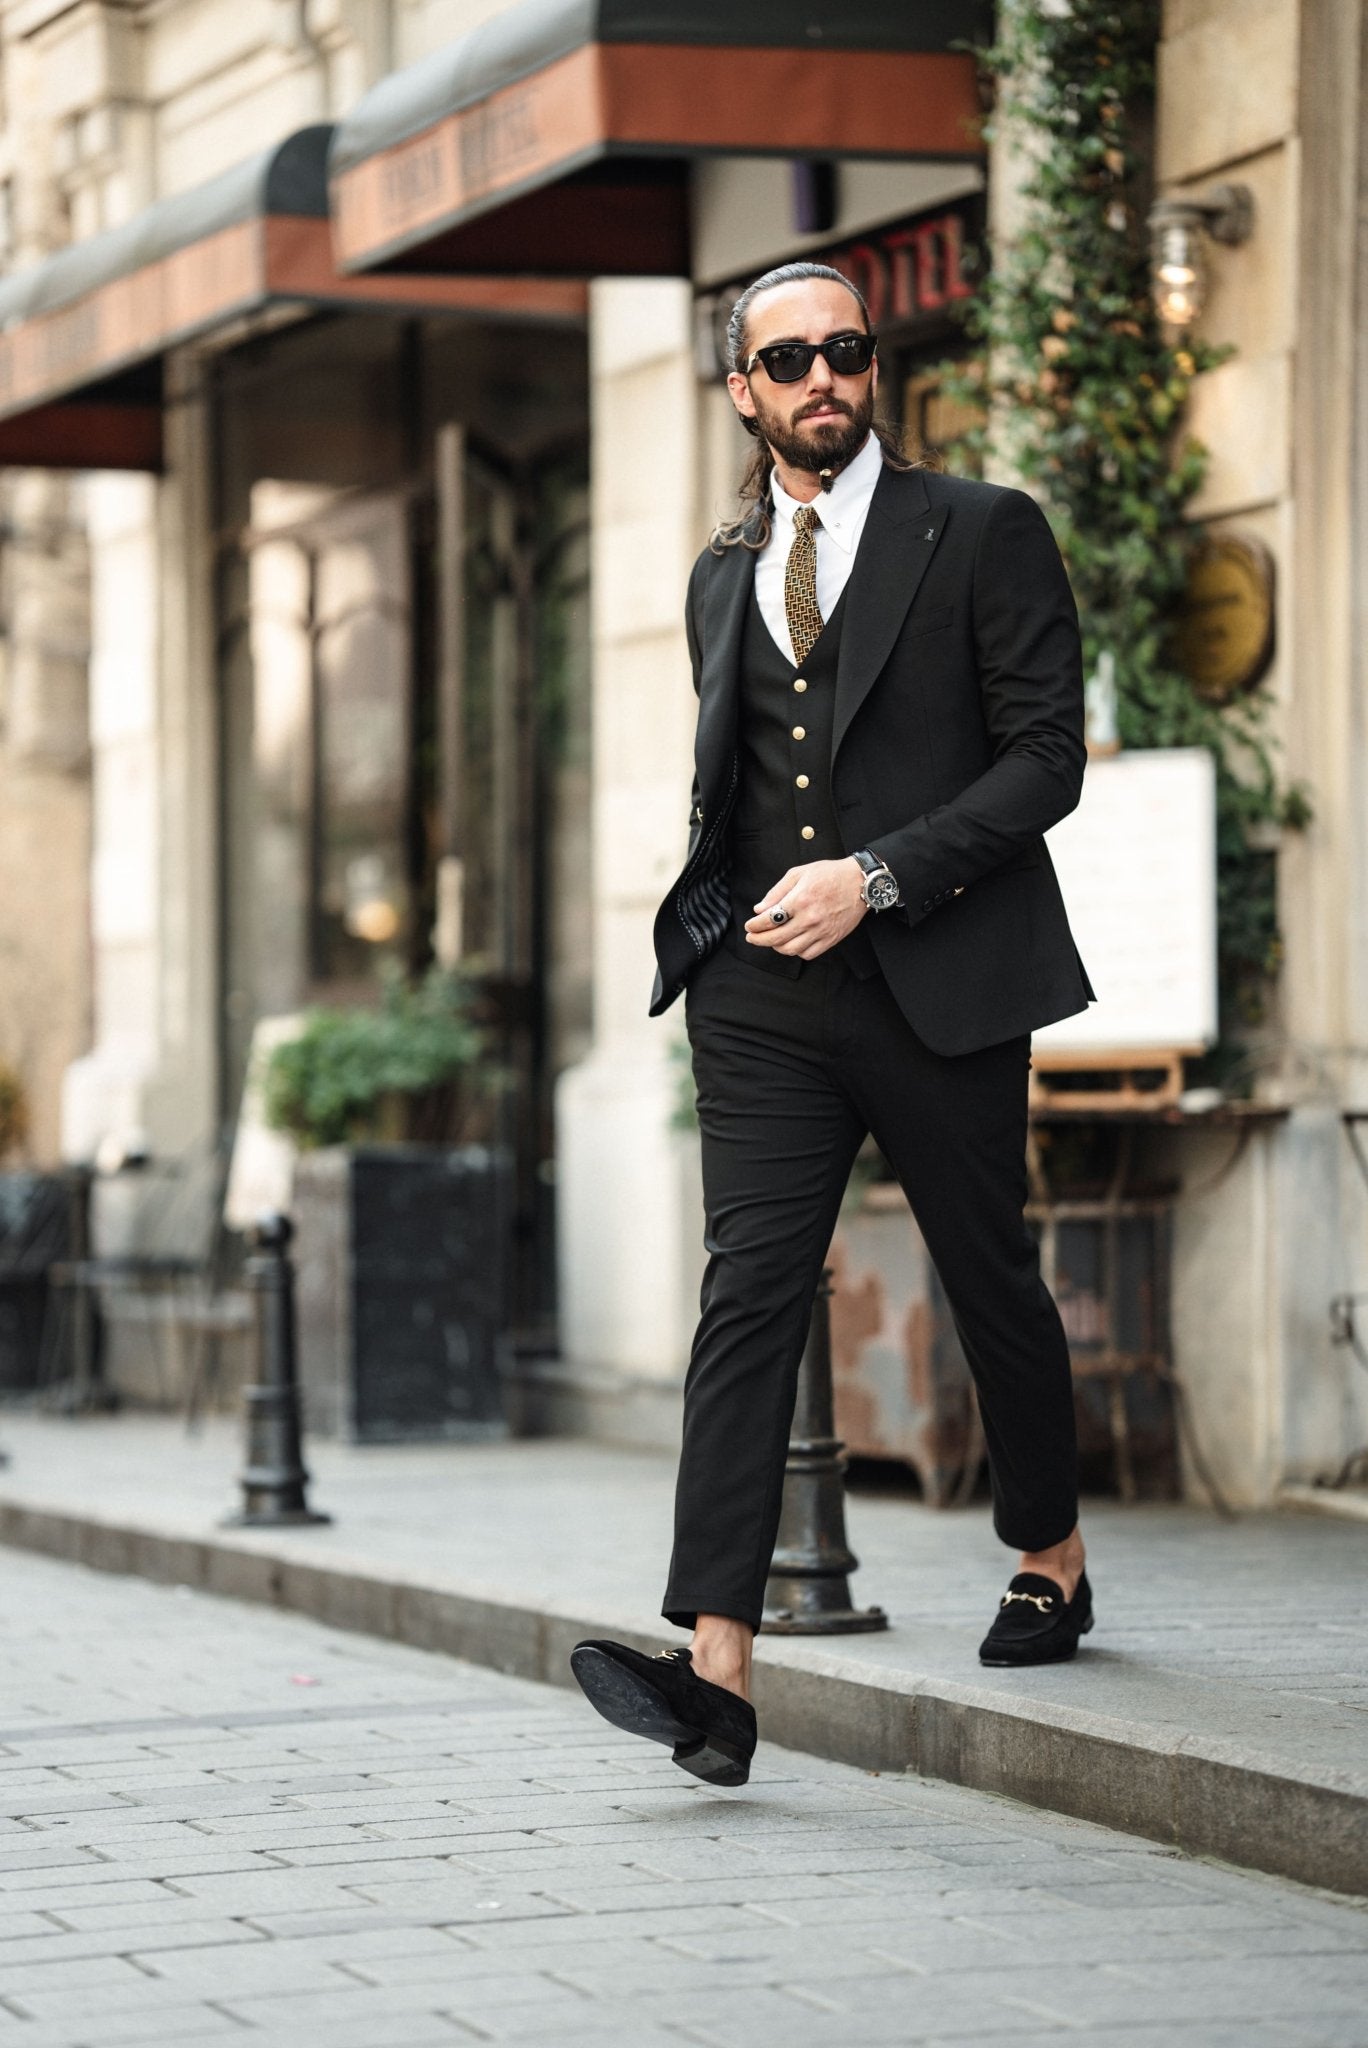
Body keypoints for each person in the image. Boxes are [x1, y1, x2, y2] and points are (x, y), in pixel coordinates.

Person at [571, 262, 1095, 1789]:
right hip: (760, 992)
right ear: (744, 389)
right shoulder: (721, 573)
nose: (821, 378)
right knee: (749, 1291)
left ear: (873, 368)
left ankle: (1049, 1556)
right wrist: (714, 929)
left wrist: (877, 877)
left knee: (987, 1268)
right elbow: (736, 774)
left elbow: (1047, 759)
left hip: (933, 974)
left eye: (844, 351)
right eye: (787, 358)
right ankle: (719, 1669)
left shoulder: (982, 531)